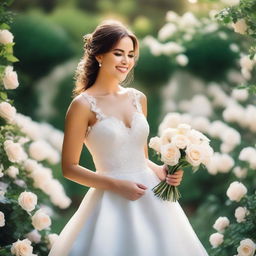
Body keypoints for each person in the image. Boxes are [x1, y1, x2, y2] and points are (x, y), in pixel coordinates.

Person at [48, 20, 209, 256]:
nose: (126, 61)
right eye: (118, 53)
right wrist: (116, 185)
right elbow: (69, 168)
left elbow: (139, 155)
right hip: (111, 198)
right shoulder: (81, 105)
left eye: (131, 55)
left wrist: (161, 171)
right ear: (99, 56)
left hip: (151, 194)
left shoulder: (138, 98)